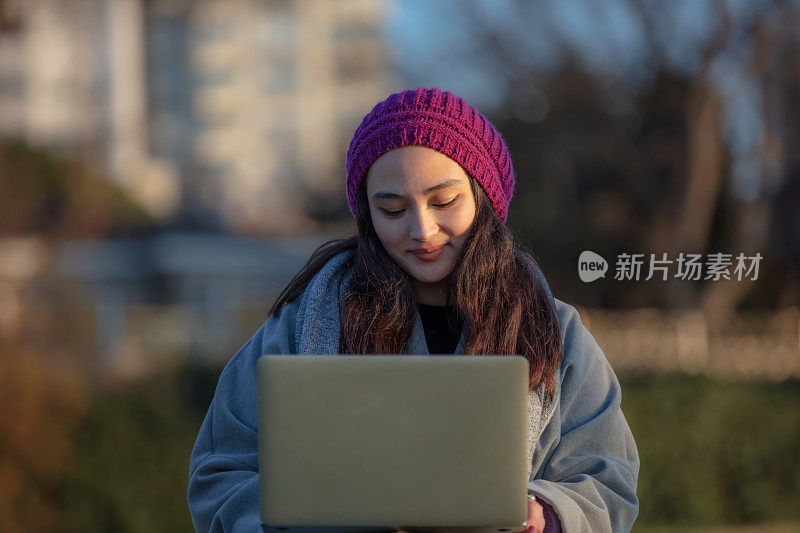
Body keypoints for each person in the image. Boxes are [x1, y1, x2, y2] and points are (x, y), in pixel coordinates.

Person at [187, 87, 640, 533]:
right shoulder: (300, 324)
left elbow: (608, 477)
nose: (422, 230)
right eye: (391, 209)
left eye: (444, 202)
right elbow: (222, 472)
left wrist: (551, 513)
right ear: (367, 212)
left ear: (484, 197)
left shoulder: (554, 330)